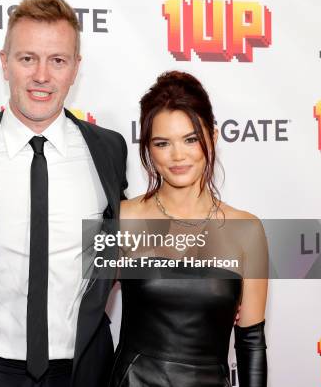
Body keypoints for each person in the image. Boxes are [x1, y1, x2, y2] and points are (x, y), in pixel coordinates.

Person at [0, 0, 128, 387]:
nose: (42, 75)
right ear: (4, 62)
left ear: (76, 68)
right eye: (27, 59)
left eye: (57, 60)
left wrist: (229, 263)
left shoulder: (108, 149)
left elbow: (128, 241)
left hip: (83, 370)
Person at [108, 71, 268, 387]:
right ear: (149, 149)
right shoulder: (121, 219)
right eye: (162, 143)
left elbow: (251, 346)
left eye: (190, 139)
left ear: (213, 136)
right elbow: (80, 317)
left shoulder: (247, 230)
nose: (178, 155)